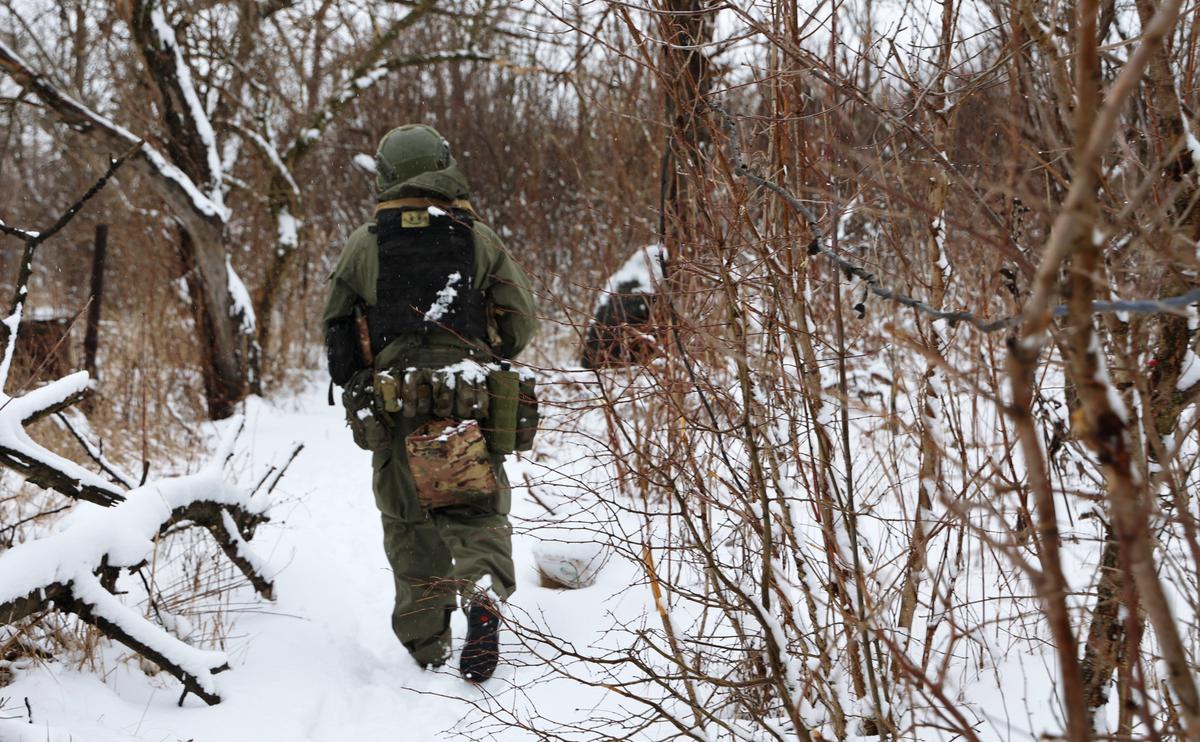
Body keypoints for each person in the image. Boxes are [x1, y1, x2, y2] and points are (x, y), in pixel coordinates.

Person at [322, 124, 537, 681]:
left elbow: (337, 329)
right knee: (476, 509)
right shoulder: (477, 237)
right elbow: (521, 321)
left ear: (388, 175)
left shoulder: (365, 242)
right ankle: (482, 595)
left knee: (407, 519)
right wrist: (488, 350)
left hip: (395, 402)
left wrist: (359, 377)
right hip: (467, 395)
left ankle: (426, 645)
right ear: (444, 166)